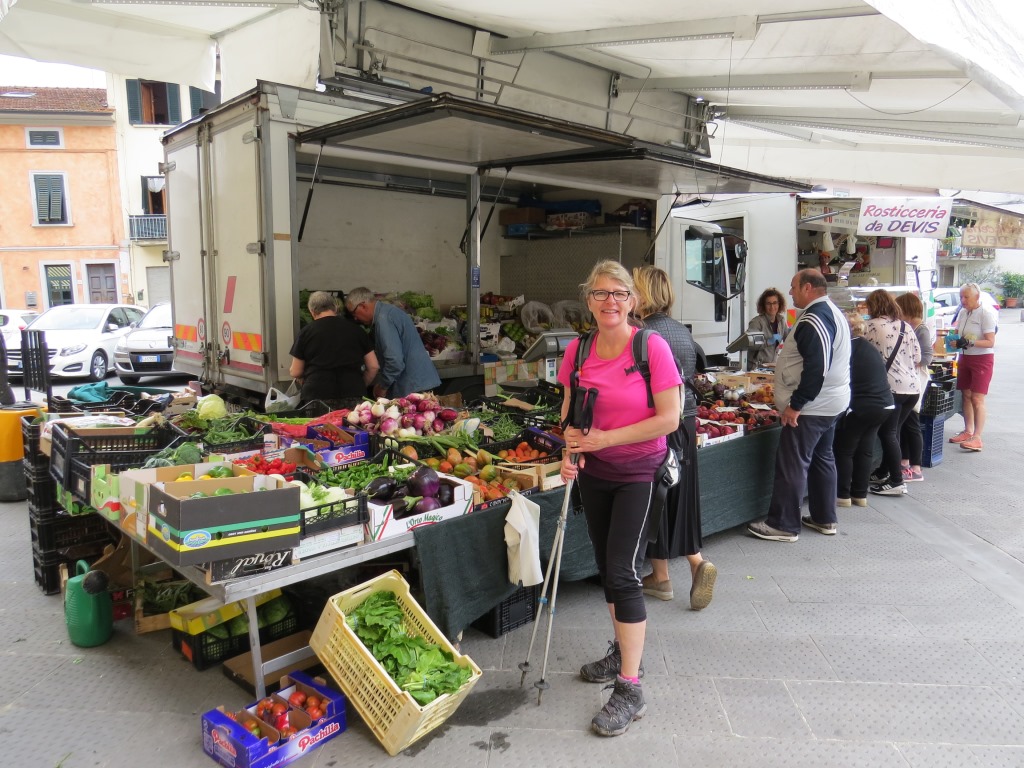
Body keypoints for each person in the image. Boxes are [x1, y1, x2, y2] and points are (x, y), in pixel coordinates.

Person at [557, 260, 680, 737]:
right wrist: (571, 448)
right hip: (595, 473)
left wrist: (606, 440)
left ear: (633, 300)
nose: (610, 301)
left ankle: (631, 686)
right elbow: (570, 409)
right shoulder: (579, 348)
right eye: (601, 293)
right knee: (609, 568)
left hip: (640, 473)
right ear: (589, 299)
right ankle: (621, 650)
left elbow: (669, 418)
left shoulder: (652, 347)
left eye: (619, 294)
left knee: (625, 573)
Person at [631, 265, 716, 611]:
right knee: (676, 493)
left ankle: (672, 572)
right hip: (688, 421)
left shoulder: (641, 333)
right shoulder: (683, 331)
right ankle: (679, 570)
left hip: (657, 423)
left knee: (656, 496)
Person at [747, 269, 851, 542]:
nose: (790, 292)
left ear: (807, 287)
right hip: (831, 403)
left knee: (793, 463)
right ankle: (824, 517)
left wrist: (796, 405)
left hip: (813, 407)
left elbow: (817, 368)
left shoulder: (814, 320)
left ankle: (783, 524)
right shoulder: (831, 312)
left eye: (793, 287)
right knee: (822, 458)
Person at [863, 289, 922, 497]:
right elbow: (917, 357)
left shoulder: (871, 326)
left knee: (887, 433)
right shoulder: (906, 326)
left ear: (874, 306)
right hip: (912, 388)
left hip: (891, 388)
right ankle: (883, 472)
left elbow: (858, 352)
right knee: (894, 431)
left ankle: (897, 481)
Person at [833, 312, 893, 507]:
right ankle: (860, 494)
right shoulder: (869, 348)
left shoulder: (847, 349)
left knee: (845, 449)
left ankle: (842, 495)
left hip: (863, 406)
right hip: (884, 404)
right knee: (865, 450)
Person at [344, 287, 442, 399]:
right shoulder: (387, 312)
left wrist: (382, 386)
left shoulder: (384, 320)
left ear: (363, 306)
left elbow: (395, 362)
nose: (355, 318)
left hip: (413, 388)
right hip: (417, 384)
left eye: (354, 313)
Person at [289, 291, 379, 408]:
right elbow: (373, 366)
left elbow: (296, 371)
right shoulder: (357, 330)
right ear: (335, 308)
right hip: (353, 394)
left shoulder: (306, 332)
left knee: (319, 427)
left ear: (312, 311)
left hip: (317, 397)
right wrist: (360, 385)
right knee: (348, 426)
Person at [948, 282, 997, 452]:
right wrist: (955, 341)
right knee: (966, 395)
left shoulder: (986, 313)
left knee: (977, 398)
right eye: (961, 296)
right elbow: (959, 334)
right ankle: (968, 430)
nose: (962, 300)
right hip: (965, 357)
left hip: (982, 359)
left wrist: (971, 341)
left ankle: (977, 436)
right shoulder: (963, 312)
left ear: (977, 297)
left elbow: (991, 341)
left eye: (966, 297)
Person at [895, 292, 933, 481]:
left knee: (912, 423)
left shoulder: (921, 329)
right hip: (909, 380)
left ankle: (915, 467)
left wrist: (906, 360)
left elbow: (927, 357)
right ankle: (905, 463)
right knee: (907, 423)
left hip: (914, 382)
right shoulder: (911, 327)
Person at [745, 287, 790, 370]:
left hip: (772, 366)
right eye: (768, 303)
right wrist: (769, 341)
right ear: (763, 305)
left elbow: (789, 341)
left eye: (775, 303)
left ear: (779, 304)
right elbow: (749, 344)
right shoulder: (757, 322)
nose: (772, 307)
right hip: (756, 368)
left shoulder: (781, 320)